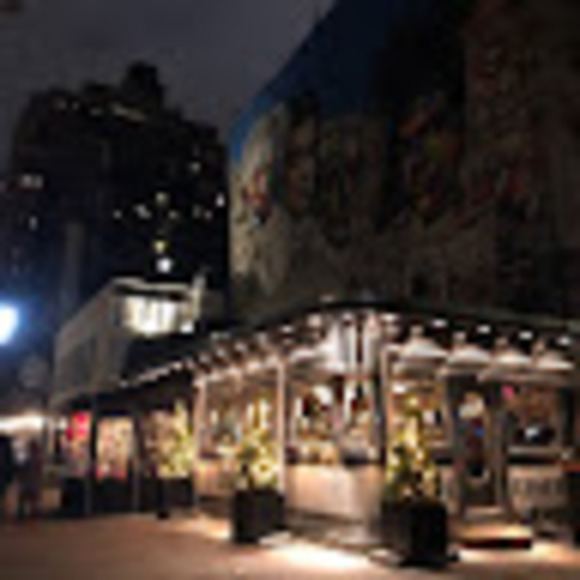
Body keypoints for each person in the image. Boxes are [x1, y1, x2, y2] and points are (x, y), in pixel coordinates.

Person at [17, 439, 44, 520]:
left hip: (28, 480)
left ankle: (23, 513)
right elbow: (39, 470)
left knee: (24, 497)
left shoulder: (27, 458)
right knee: (33, 498)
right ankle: (33, 512)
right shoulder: (38, 457)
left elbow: (22, 469)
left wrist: (21, 477)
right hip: (33, 480)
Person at [0, 434, 16, 520]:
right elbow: (10, 463)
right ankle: (2, 510)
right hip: (4, 474)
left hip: (3, 474)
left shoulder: (6, 450)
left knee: (3, 493)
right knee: (3, 493)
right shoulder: (8, 450)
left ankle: (2, 510)